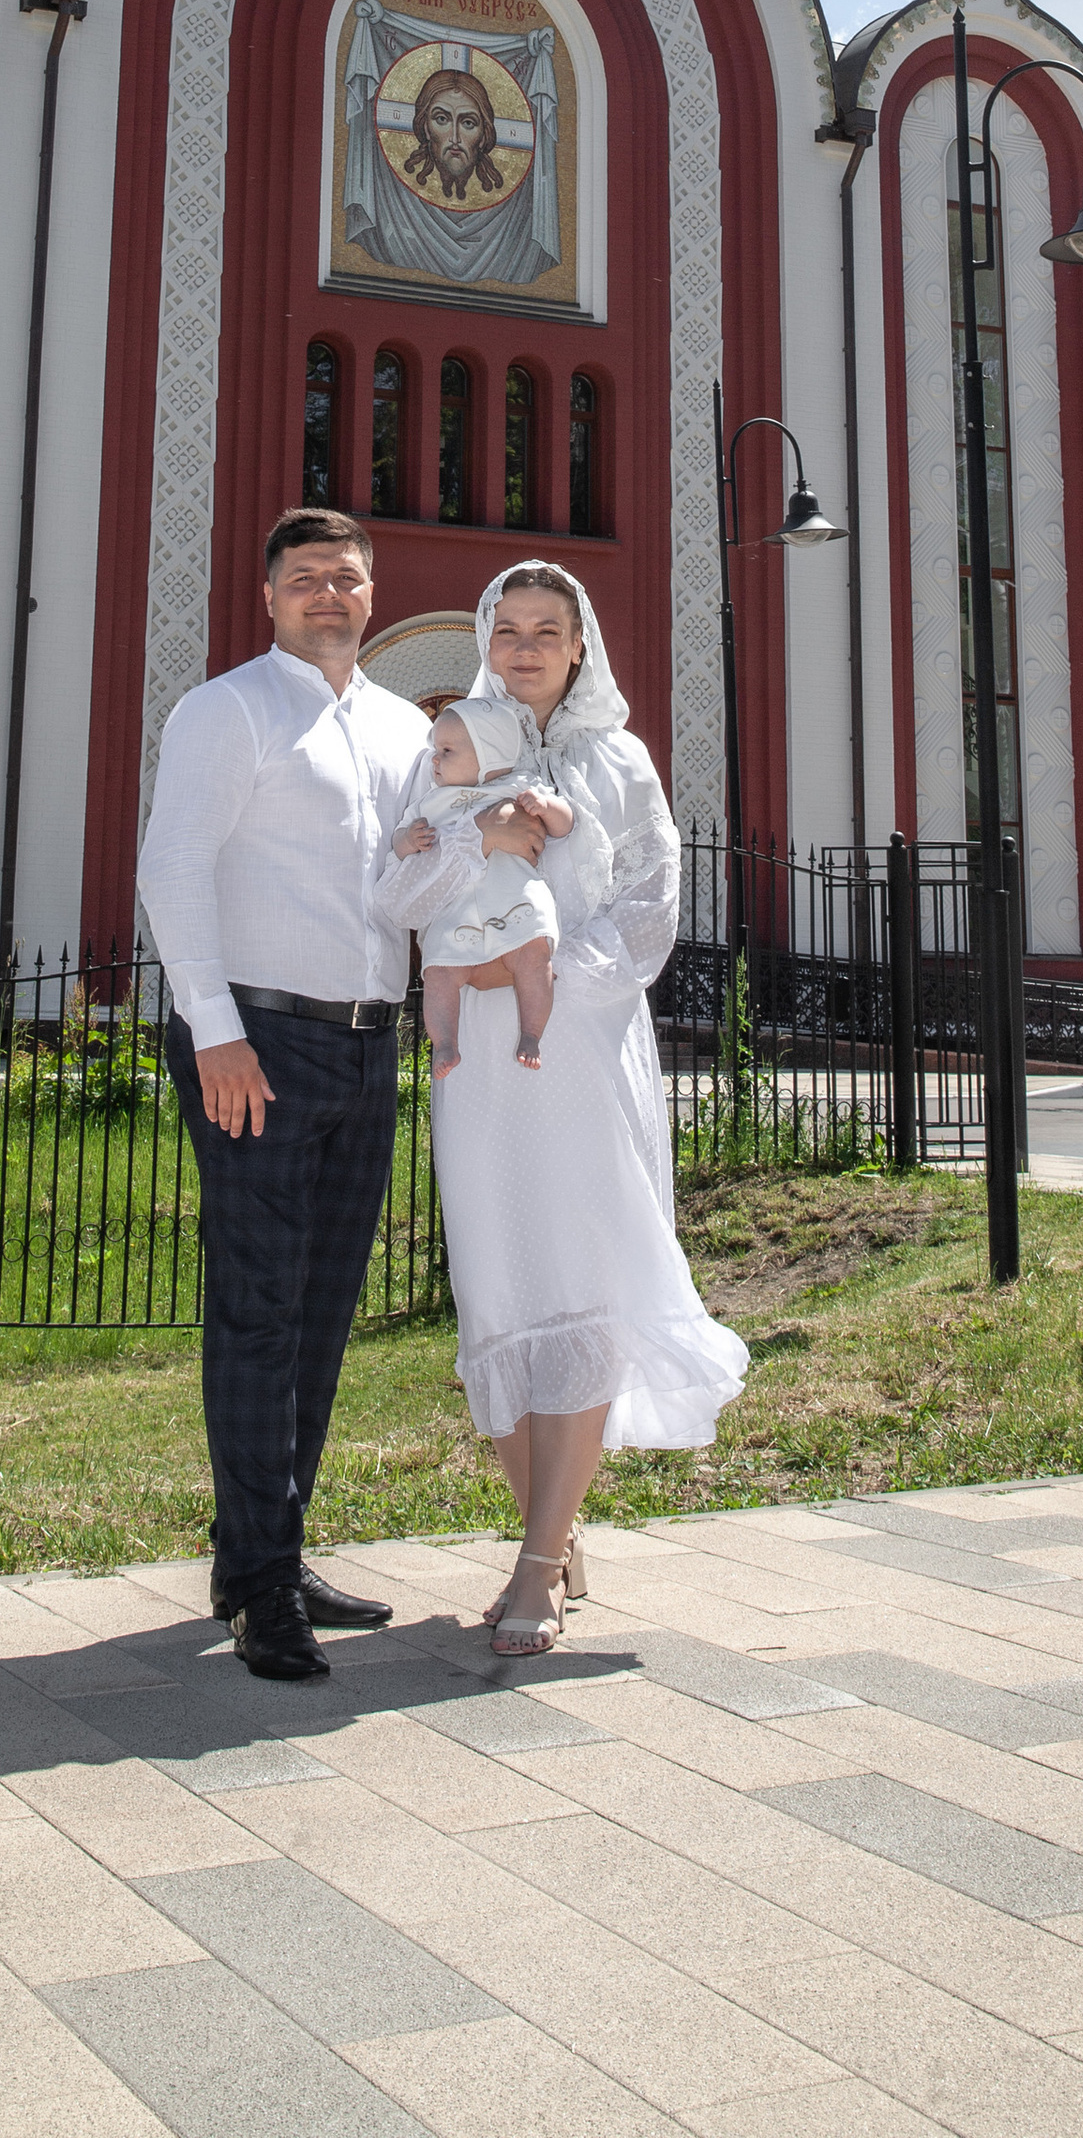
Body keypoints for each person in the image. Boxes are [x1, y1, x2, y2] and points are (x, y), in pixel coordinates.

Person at [135, 508, 549, 1682]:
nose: (329, 594)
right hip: (254, 1041)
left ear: (373, 599)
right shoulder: (227, 710)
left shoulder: (395, 730)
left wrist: (478, 846)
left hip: (365, 1048)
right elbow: (170, 869)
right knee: (259, 1309)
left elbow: (404, 898)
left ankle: (268, 1548)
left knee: (321, 1313)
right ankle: (260, 1590)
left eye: (347, 579)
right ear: (269, 596)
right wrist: (213, 1035)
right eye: (307, 578)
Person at [369, 562, 747, 1657]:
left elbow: (650, 914)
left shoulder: (619, 762)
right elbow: (392, 895)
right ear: (484, 641)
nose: (527, 648)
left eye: (549, 630)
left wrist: (530, 970)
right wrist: (469, 840)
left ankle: (538, 1564)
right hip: (474, 1066)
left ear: (581, 646)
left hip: (576, 1042)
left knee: (580, 1283)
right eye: (509, 629)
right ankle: (555, 1525)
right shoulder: (445, 752)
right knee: (499, 1291)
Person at [396, 694, 580, 1072]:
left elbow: (566, 824)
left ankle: (531, 1032)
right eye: (435, 749)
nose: (434, 759)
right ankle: (445, 1042)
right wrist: (407, 841)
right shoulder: (431, 803)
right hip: (456, 914)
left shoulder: (519, 787)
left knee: (534, 958)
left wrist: (547, 808)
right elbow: (400, 843)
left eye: (447, 750)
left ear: (489, 756)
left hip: (516, 904)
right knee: (439, 973)